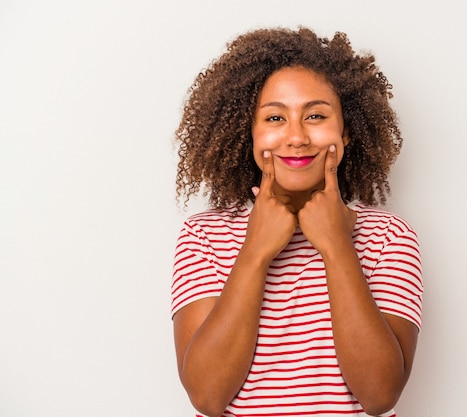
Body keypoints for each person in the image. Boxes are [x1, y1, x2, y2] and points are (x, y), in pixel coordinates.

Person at [170, 27, 423, 417]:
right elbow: (206, 395)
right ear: (248, 132)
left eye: (316, 115)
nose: (296, 137)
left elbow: (379, 395)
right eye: (274, 117)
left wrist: (337, 245)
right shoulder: (204, 237)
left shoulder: (388, 237)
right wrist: (255, 251)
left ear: (346, 131)